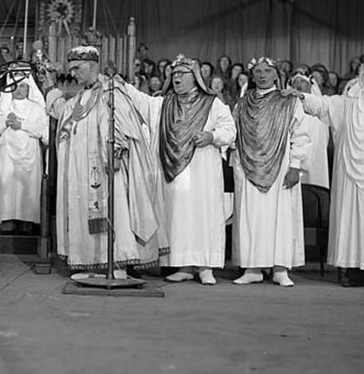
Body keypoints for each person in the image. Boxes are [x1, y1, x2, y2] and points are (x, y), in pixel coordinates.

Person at [43, 45, 167, 276]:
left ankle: (118, 262)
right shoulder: (80, 97)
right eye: (71, 69)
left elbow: (123, 124)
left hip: (107, 167)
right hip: (82, 171)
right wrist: (50, 87)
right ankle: (92, 262)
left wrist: (117, 149)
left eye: (77, 68)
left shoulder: (112, 92)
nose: (73, 74)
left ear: (92, 66)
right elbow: (63, 111)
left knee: (114, 211)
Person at [124, 55, 236, 285]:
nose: (176, 78)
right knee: (178, 216)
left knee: (203, 215)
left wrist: (212, 136)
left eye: (181, 74)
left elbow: (229, 129)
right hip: (173, 171)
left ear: (194, 78)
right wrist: (122, 85)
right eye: (174, 74)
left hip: (202, 170)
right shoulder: (164, 103)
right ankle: (183, 266)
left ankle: (206, 268)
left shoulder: (211, 102)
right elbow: (142, 102)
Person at [231, 57, 310, 287]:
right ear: (252, 75)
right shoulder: (243, 103)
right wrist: (238, 166)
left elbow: (301, 135)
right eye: (258, 71)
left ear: (276, 75)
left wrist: (295, 165)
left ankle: (280, 268)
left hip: (281, 166)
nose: (262, 75)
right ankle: (253, 267)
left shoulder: (289, 101)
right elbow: (235, 136)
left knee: (280, 216)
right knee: (251, 216)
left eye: (267, 71)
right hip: (248, 167)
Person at [292, 57, 364, 286]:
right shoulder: (348, 100)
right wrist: (301, 96)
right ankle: (354, 270)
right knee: (351, 219)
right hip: (351, 174)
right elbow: (323, 105)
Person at [0, 71, 48, 234]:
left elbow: (42, 131)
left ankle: (27, 223)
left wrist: (21, 125)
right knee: (7, 185)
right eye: (14, 86)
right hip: (7, 152)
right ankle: (7, 221)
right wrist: (5, 122)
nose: (18, 89)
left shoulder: (37, 107)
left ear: (28, 88)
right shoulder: (3, 106)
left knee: (27, 187)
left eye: (22, 86)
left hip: (29, 153)